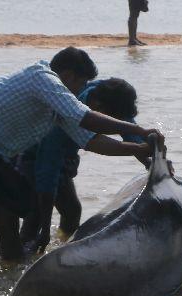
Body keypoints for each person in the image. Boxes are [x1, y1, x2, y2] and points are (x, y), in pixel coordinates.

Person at [0, 47, 162, 264]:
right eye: (81, 83)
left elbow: (92, 141)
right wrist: (138, 131)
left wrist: (141, 150)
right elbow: (85, 119)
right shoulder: (43, 79)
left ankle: (11, 273)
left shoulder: (60, 102)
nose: (81, 90)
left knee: (7, 215)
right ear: (68, 76)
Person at [17, 78, 146, 251]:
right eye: (110, 120)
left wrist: (150, 160)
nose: (112, 125)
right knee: (36, 215)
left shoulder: (109, 97)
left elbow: (129, 130)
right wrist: (46, 230)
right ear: (98, 107)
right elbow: (47, 174)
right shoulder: (65, 119)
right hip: (33, 156)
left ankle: (63, 249)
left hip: (66, 157)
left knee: (72, 211)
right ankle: (20, 259)